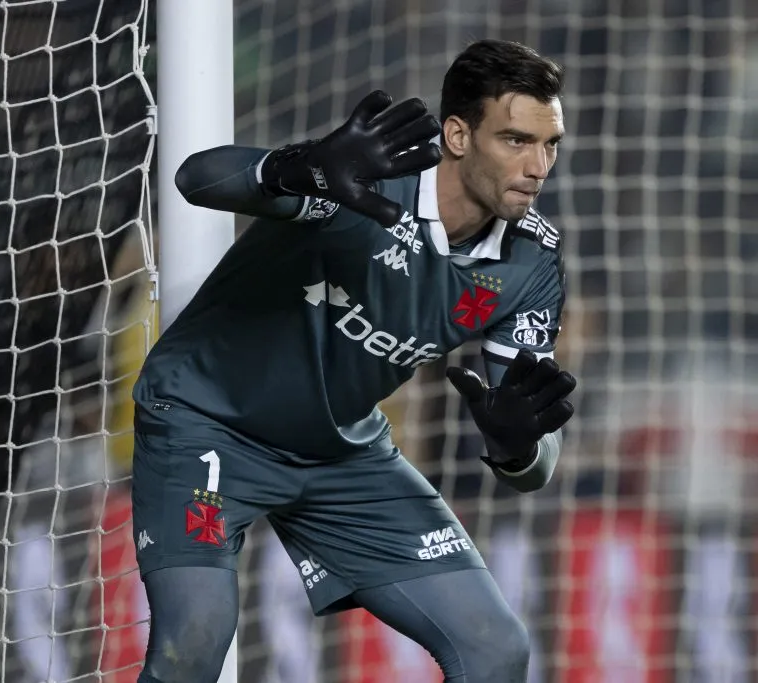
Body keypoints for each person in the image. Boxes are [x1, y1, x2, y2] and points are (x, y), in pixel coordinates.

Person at [131, 39, 576, 683]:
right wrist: (300, 167)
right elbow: (195, 177)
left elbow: (537, 460)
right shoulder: (363, 182)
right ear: (457, 135)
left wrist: (518, 449)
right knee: (193, 641)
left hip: (340, 453)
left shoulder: (530, 265)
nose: (539, 166)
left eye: (550, 144)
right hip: (208, 423)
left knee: (494, 648)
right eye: (515, 140)